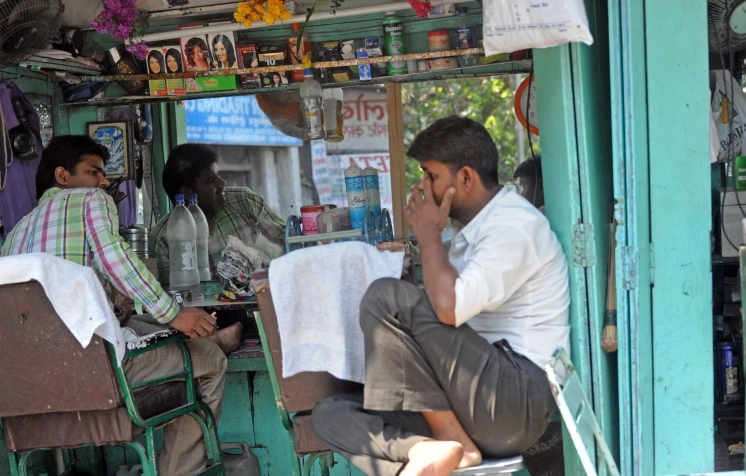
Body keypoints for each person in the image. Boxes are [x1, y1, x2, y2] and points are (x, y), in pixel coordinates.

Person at [312, 116, 570, 476]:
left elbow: (447, 311)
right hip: (474, 401)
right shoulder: (471, 234)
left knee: (385, 296)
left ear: (465, 178)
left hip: (515, 399)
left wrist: (428, 235)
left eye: (431, 176)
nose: (422, 186)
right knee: (328, 413)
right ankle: (425, 450)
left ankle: (452, 441)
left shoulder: (514, 226)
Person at [0, 136, 236, 476]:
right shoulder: (89, 200)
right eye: (94, 172)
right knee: (209, 361)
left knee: (139, 324)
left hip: (32, 387)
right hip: (96, 371)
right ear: (63, 177)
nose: (104, 182)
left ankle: (197, 337)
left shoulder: (16, 232)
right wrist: (172, 312)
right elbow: (116, 257)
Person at [150, 143, 287, 284]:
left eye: (218, 175)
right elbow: (175, 294)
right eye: (210, 180)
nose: (222, 183)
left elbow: (286, 244)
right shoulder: (164, 238)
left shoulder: (245, 202)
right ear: (186, 192)